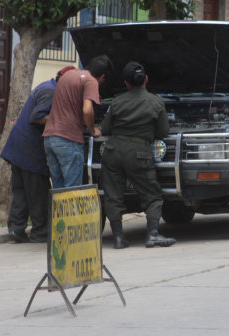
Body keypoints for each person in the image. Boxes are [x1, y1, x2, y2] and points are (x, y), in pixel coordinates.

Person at [100, 61, 176, 249]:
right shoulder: (156, 102)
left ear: (126, 83)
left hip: (113, 151)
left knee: (113, 195)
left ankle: (118, 237)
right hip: (139, 153)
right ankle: (152, 235)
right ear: (146, 80)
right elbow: (163, 132)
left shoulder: (116, 101)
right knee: (152, 195)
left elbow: (105, 129)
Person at [1, 66, 75, 243]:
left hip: (18, 149)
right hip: (30, 152)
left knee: (21, 192)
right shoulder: (51, 91)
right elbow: (37, 117)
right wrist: (64, 117)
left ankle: (16, 229)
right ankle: (40, 232)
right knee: (38, 193)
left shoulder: (46, 87)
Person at [43, 55, 113, 188]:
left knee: (58, 188)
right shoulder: (90, 81)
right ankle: (70, 210)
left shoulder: (67, 75)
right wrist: (92, 130)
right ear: (102, 77)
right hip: (68, 140)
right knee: (71, 189)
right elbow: (87, 110)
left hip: (50, 138)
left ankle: (56, 210)